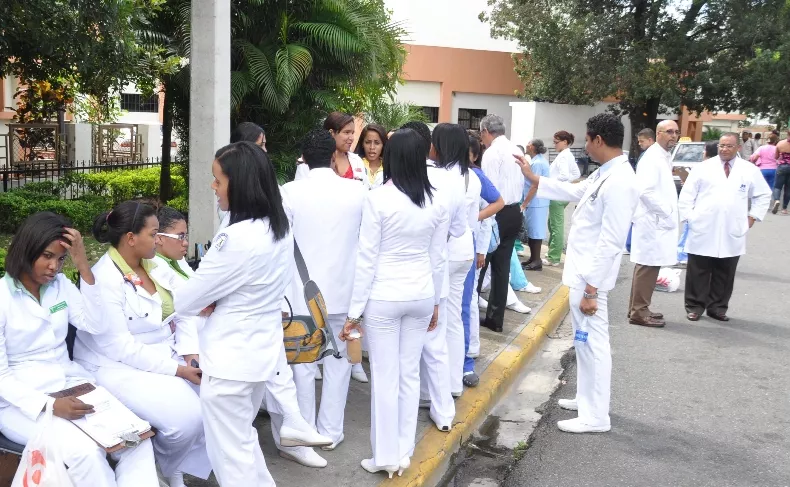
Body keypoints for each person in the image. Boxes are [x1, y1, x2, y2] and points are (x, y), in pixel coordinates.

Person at [174, 141, 331, 486]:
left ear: (239, 183)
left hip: (231, 360)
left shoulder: (236, 238)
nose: (213, 188)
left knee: (231, 459)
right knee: (243, 446)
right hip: (257, 357)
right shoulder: (278, 228)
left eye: (218, 180)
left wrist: (204, 297)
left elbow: (186, 298)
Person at [0, 212, 159, 487]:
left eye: (61, 259)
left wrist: (83, 267)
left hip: (72, 385)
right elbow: (2, 378)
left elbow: (95, 324)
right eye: (47, 256)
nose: (54, 267)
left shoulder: (59, 285)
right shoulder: (2, 297)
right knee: (86, 452)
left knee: (135, 439)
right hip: (22, 404)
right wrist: (50, 406)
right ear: (27, 250)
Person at [515, 113, 639, 433]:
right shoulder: (603, 174)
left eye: (587, 140)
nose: (585, 146)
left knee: (594, 344)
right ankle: (585, 399)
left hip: (591, 279)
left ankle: (597, 416)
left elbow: (611, 241)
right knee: (583, 342)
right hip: (583, 274)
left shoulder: (621, 180)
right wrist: (534, 178)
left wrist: (592, 290)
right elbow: (574, 191)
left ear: (599, 140)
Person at [73, 201, 210, 487]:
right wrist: (178, 369)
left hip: (164, 352)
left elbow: (184, 306)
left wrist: (191, 355)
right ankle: (166, 466)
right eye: (153, 233)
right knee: (188, 419)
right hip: (116, 365)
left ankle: (174, 465)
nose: (158, 240)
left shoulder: (155, 264)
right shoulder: (105, 278)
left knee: (217, 398)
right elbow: (120, 347)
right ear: (131, 238)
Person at [340, 128, 447, 477]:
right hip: (421, 296)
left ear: (392, 159)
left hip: (384, 298)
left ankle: (385, 457)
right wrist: (434, 303)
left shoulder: (378, 199)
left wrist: (353, 314)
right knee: (409, 374)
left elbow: (366, 260)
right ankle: (403, 451)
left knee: (385, 378)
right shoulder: (436, 201)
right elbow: (437, 257)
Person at [279, 129, 368, 463]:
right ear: (334, 156)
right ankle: (331, 432)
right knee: (339, 361)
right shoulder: (357, 190)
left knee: (302, 364)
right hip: (345, 290)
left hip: (301, 293)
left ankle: (305, 431)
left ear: (303, 158)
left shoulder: (289, 192)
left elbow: (281, 243)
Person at [401, 120, 463, 433]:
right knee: (434, 345)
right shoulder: (450, 179)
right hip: (434, 273)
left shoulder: (396, 177)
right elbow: (459, 228)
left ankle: (405, 418)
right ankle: (443, 411)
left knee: (403, 356)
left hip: (398, 280)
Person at [678, 133, 771, 322]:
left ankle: (718, 307)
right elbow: (687, 195)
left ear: (738, 148)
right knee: (698, 269)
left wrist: (752, 216)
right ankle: (695, 306)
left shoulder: (749, 170)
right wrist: (690, 217)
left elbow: (763, 195)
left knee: (725, 270)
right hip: (703, 225)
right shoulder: (703, 168)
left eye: (729, 146)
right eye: (721, 145)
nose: (724, 149)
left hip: (733, 228)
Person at [429, 123, 480, 400]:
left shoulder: (440, 177)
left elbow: (447, 226)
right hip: (465, 251)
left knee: (437, 320)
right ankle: (453, 384)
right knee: (454, 320)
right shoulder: (470, 175)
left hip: (446, 253)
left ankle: (437, 389)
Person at [461, 133, 505, 387]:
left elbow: (492, 210)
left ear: (475, 155)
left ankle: (469, 357)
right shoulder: (450, 175)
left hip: (472, 247)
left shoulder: (477, 176)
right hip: (459, 249)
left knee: (467, 304)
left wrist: (481, 250)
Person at [628, 121, 680, 328]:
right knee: (647, 265)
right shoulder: (652, 158)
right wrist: (666, 211)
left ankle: (639, 308)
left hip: (657, 221)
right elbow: (645, 191)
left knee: (650, 265)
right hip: (652, 221)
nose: (673, 135)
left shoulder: (663, 156)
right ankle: (638, 312)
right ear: (658, 134)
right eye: (669, 132)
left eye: (676, 132)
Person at [478, 114, 527, 333]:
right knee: (502, 266)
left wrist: (482, 216)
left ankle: (472, 310)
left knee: (482, 261)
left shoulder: (492, 153)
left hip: (496, 211)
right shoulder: (516, 150)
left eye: (481, 134)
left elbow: (488, 191)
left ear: (486, 131)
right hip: (514, 210)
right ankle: (495, 319)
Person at [545, 130, 581, 267]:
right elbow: (576, 173)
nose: (554, 145)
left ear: (565, 142)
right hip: (561, 193)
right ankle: (553, 254)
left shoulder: (564, 156)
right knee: (554, 223)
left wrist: (551, 182)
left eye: (556, 142)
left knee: (555, 225)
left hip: (557, 193)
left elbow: (564, 175)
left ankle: (553, 257)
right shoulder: (567, 155)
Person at [521, 139, 551, 271]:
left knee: (536, 232)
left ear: (532, 147)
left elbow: (535, 185)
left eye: (528, 143)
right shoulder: (535, 161)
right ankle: (533, 258)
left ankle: (537, 260)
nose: (526, 145)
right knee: (532, 231)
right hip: (535, 202)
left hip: (536, 202)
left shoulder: (538, 163)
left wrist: (525, 202)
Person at [325, 111, 365, 181]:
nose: (352, 138)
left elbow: (365, 187)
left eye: (352, 133)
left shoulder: (357, 161)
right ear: (331, 133)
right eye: (346, 132)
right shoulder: (313, 159)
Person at [356, 123, 388, 189]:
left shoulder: (389, 167)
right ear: (362, 143)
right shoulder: (355, 163)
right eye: (368, 142)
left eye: (377, 143)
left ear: (383, 145)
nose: (372, 147)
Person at [771, 130, 790, 215]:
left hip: (782, 167)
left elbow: (776, 156)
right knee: (788, 188)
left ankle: (777, 200)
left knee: (777, 186)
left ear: (787, 134)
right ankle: (784, 208)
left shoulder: (780, 143)